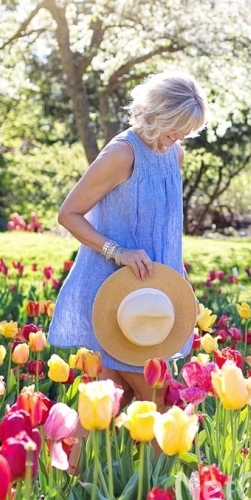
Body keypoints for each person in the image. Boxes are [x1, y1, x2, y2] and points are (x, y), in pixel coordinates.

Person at [49, 70, 210, 407]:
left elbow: (165, 233)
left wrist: (182, 285)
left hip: (154, 295)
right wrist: (118, 252)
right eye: (174, 130)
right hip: (120, 296)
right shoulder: (122, 154)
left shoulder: (174, 154)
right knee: (164, 404)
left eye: (185, 133)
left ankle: (48, 445)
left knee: (107, 405)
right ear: (155, 116)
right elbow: (69, 214)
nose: (179, 139)